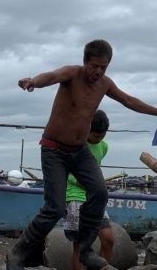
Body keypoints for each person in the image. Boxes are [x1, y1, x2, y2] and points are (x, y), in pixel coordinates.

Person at [6, 39, 157, 270]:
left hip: (79, 151)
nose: (98, 72)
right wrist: (33, 81)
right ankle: (19, 253)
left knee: (99, 193)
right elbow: (51, 75)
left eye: (103, 67)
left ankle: (86, 249)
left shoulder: (104, 84)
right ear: (85, 62)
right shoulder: (72, 73)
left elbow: (129, 100)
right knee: (55, 207)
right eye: (94, 66)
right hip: (54, 150)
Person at [64, 109, 113, 270]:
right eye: (96, 136)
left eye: (102, 135)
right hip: (76, 196)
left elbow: (95, 169)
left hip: (95, 198)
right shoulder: (75, 144)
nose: (99, 139)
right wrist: (86, 182)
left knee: (108, 239)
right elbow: (67, 172)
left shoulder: (103, 147)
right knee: (79, 245)